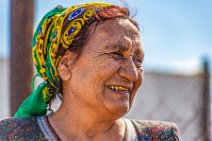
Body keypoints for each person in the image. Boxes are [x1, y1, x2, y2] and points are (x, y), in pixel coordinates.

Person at [0, 2, 181, 141]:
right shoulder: (13, 135)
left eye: (138, 60)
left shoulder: (160, 137)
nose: (132, 74)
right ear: (66, 65)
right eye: (116, 54)